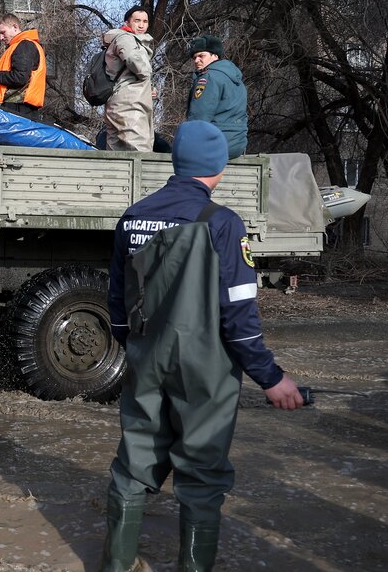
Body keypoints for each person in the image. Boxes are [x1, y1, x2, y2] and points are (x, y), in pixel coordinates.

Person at [101, 120, 303, 572]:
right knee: (202, 476)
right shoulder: (224, 224)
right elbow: (239, 317)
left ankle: (115, 565)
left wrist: (136, 348)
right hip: (205, 370)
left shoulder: (133, 217)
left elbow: (117, 304)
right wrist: (270, 378)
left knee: (134, 466)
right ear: (218, 168)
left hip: (146, 359)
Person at [186, 35, 248, 158]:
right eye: (194, 57)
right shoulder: (236, 80)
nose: (196, 60)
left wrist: (189, 146)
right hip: (237, 144)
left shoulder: (208, 78)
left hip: (215, 143)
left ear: (215, 56)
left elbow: (199, 115)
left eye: (201, 56)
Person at [103, 7, 155, 151]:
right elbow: (137, 63)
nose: (141, 25)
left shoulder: (123, 39)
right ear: (127, 22)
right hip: (130, 104)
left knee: (116, 152)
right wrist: (146, 77)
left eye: (145, 21)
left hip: (121, 101)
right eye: (137, 20)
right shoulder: (126, 38)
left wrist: (148, 88)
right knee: (140, 151)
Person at [0, 14, 45, 118]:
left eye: (3, 33)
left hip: (19, 108)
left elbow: (19, 77)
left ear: (15, 27)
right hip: (20, 107)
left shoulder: (24, 46)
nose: (0, 37)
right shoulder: (23, 45)